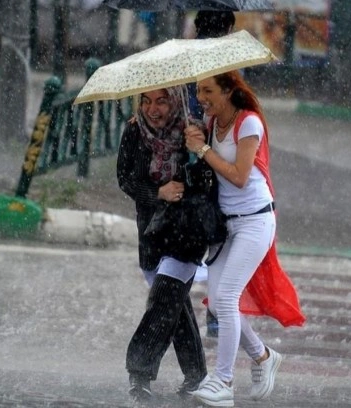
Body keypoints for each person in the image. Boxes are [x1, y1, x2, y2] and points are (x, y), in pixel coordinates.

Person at [183, 71, 305, 407]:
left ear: (228, 91)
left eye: (207, 91)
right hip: (226, 227)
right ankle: (263, 356)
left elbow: (238, 176)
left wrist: (204, 148)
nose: (201, 97)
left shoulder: (248, 122)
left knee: (226, 299)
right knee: (219, 302)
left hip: (255, 222)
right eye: (198, 91)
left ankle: (222, 382)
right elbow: (209, 167)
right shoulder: (212, 124)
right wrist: (197, 142)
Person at [117, 86, 209, 403]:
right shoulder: (133, 131)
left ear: (177, 99)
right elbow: (126, 179)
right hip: (151, 234)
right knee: (175, 306)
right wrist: (159, 192)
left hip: (186, 232)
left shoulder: (194, 130)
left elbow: (208, 180)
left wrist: (194, 159)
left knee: (164, 301)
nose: (153, 109)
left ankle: (139, 373)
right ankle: (197, 376)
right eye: (146, 101)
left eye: (161, 100)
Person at [187, 10, 236, 120]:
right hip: (218, 121)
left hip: (190, 121)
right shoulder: (232, 57)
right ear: (228, 28)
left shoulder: (187, 53)